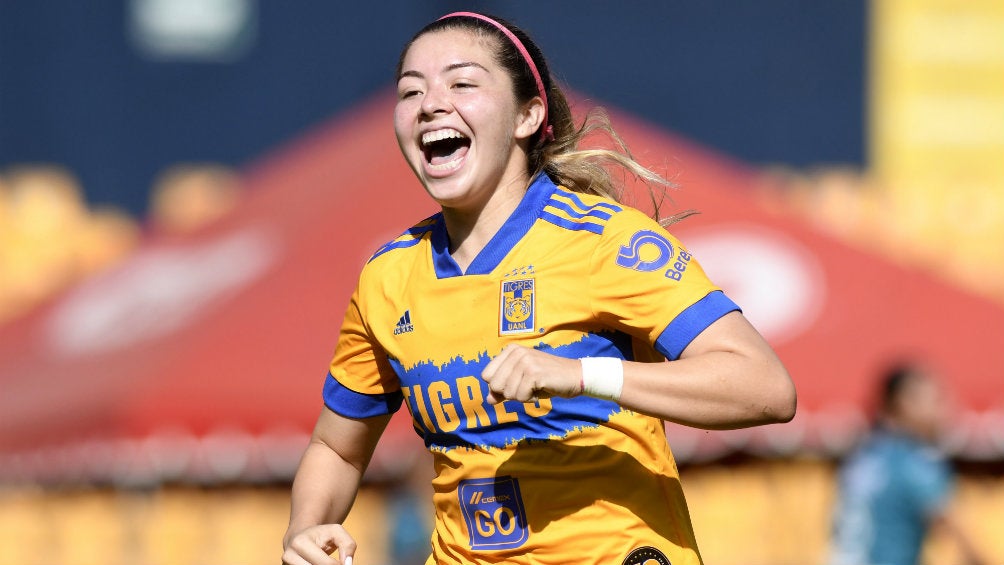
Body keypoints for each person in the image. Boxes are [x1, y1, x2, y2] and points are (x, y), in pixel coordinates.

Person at [282, 11, 796, 565]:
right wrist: (305, 532)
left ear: (528, 115)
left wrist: (582, 376)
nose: (430, 104)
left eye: (461, 83)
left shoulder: (605, 241)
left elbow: (765, 387)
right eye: (411, 91)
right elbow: (337, 447)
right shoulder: (388, 277)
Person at [829, 363, 987, 565]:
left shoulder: (863, 456)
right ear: (903, 404)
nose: (944, 412)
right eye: (936, 401)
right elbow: (962, 538)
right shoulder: (917, 463)